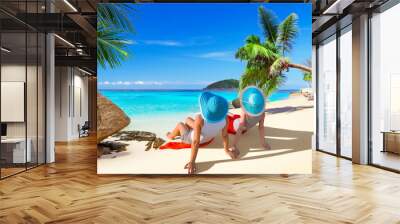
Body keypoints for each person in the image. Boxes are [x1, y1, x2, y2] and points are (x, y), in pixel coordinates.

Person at [166, 92, 235, 174]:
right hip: (208, 138)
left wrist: (192, 161)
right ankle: (187, 128)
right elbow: (225, 135)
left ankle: (170, 136)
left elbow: (195, 142)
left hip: (190, 139)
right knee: (188, 119)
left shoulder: (200, 118)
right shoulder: (225, 119)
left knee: (180, 124)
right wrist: (226, 150)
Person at [228, 86, 271, 157]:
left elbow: (240, 128)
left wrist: (234, 145)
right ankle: (229, 113)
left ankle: (227, 113)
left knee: (227, 118)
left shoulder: (245, 110)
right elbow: (261, 128)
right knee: (233, 116)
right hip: (244, 126)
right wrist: (263, 143)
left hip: (235, 126)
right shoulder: (262, 113)